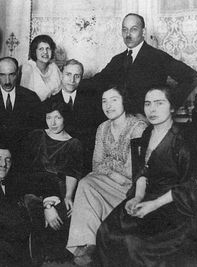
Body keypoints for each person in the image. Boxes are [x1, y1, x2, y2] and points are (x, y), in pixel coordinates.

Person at [94, 85, 197, 266]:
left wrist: (153, 205)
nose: (152, 109)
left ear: (172, 107)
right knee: (106, 231)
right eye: (148, 104)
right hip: (146, 195)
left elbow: (188, 185)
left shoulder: (184, 138)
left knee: (135, 243)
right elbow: (142, 172)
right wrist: (137, 197)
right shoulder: (146, 133)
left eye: (159, 103)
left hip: (174, 203)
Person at [66, 85, 147, 265]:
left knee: (89, 184)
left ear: (124, 101)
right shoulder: (102, 128)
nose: (108, 105)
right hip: (111, 181)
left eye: (114, 100)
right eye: (104, 101)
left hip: (132, 188)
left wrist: (109, 166)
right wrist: (113, 172)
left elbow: (132, 170)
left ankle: (92, 245)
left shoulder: (138, 128)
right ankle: (88, 244)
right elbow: (96, 164)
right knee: (86, 182)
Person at [88, 13, 197, 115]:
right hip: (121, 124)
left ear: (143, 32)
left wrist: (168, 104)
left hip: (147, 123)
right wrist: (73, 82)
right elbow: (97, 82)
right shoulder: (117, 60)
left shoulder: (158, 57)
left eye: (133, 29)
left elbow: (192, 77)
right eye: (124, 30)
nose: (128, 35)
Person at [21, 100, 83, 263]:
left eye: (58, 118)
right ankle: (36, 259)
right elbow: (25, 168)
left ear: (65, 118)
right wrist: (47, 204)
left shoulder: (73, 143)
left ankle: (52, 259)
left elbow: (72, 172)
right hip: (33, 186)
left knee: (62, 216)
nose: (53, 123)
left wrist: (69, 195)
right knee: (34, 210)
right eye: (49, 117)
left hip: (59, 189)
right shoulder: (36, 135)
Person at [48, 59, 106, 173]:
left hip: (86, 161)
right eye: (68, 74)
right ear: (61, 75)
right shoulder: (49, 103)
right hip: (59, 161)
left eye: (77, 76)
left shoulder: (92, 101)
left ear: (81, 78)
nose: (72, 80)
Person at [0, 57, 41, 167]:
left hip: (23, 160)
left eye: (12, 74)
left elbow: (36, 134)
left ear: (18, 73)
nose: (7, 81)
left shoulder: (31, 98)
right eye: (3, 75)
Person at [21, 35, 62, 101]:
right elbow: (24, 97)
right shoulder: (28, 67)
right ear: (35, 51)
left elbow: (60, 92)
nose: (45, 52)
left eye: (48, 48)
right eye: (41, 49)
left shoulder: (53, 67)